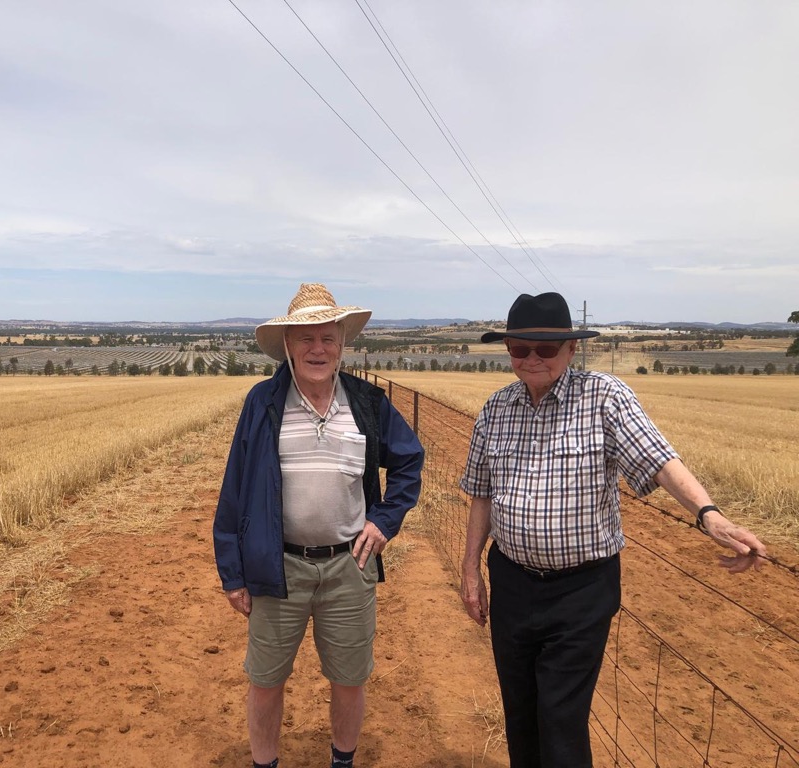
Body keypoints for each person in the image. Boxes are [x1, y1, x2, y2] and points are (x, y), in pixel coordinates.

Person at [459, 291, 768, 768]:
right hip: (513, 585)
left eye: (545, 349)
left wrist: (710, 514)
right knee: (520, 713)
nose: (532, 359)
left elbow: (659, 460)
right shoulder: (496, 408)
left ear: (571, 349)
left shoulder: (604, 397)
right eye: (520, 349)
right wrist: (470, 570)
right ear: (508, 351)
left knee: (560, 720)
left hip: (580, 593)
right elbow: (480, 493)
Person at [213, 283, 424, 768]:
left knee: (349, 679)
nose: (317, 349)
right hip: (277, 568)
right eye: (305, 339)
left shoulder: (368, 404)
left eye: (327, 338)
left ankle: (342, 762)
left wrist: (384, 520)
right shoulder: (262, 404)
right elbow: (235, 489)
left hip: (350, 566)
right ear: (287, 346)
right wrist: (233, 572)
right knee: (266, 681)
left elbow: (410, 460)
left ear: (342, 344)